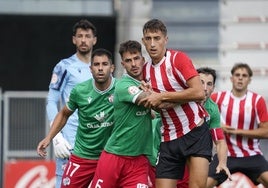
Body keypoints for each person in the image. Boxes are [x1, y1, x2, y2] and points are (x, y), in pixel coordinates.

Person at [90, 40, 173, 188]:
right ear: (123, 64)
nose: (133, 64)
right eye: (128, 61)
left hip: (139, 159)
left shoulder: (149, 83)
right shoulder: (123, 85)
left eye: (136, 59)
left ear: (143, 60)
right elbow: (149, 100)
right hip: (115, 156)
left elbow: (158, 110)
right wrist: (185, 97)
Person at [141, 18, 212, 188]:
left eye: (156, 38)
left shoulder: (177, 59)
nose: (152, 43)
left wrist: (162, 97)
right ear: (143, 41)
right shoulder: (146, 70)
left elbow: (198, 92)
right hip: (169, 137)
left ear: (165, 39)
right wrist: (153, 100)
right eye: (148, 38)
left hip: (195, 131)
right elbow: (159, 105)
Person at [37, 48, 116, 188]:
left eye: (104, 64)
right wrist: (50, 137)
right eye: (96, 65)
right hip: (82, 155)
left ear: (112, 68)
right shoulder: (80, 91)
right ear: (90, 69)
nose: (100, 68)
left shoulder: (121, 89)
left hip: (108, 156)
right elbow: (64, 114)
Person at [46, 19, 97, 187]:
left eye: (87, 36)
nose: (83, 40)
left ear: (94, 40)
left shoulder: (101, 67)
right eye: (80, 36)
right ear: (74, 39)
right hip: (69, 142)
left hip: (97, 142)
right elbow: (52, 101)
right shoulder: (64, 66)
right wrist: (56, 135)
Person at [207, 63, 268, 188]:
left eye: (244, 75)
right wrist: (218, 126)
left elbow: (266, 132)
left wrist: (236, 132)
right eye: (237, 75)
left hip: (252, 155)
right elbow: (201, 117)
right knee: (201, 185)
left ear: (249, 80)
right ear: (231, 78)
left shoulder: (257, 100)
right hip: (225, 156)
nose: (240, 78)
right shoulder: (217, 97)